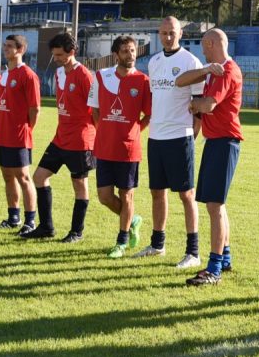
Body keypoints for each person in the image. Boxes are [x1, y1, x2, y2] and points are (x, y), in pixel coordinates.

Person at [176, 28, 242, 286]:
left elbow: (209, 105)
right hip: (217, 142)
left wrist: (194, 105)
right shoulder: (215, 71)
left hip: (224, 142)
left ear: (213, 43)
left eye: (204, 45)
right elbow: (184, 84)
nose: (202, 50)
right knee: (217, 204)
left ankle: (213, 268)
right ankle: (224, 259)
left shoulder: (226, 70)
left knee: (214, 206)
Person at [141, 17, 203, 266]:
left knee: (187, 195)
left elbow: (198, 107)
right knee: (157, 192)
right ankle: (158, 245)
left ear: (180, 33)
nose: (168, 37)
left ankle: (193, 252)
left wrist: (190, 136)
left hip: (180, 137)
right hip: (156, 137)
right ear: (159, 33)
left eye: (172, 33)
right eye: (164, 33)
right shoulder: (154, 62)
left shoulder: (191, 62)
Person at [22, 33, 95, 242]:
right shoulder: (58, 73)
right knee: (39, 177)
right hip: (60, 138)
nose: (56, 59)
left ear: (72, 52)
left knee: (79, 185)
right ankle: (46, 227)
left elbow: (95, 111)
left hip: (81, 140)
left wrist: (95, 139)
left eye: (60, 55)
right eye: (54, 55)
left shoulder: (85, 76)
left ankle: (76, 232)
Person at [88, 35, 152, 256]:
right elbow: (94, 108)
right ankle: (132, 219)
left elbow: (149, 115)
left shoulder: (143, 81)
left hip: (129, 149)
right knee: (104, 196)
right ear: (116, 54)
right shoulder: (101, 76)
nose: (130, 55)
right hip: (104, 147)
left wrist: (135, 131)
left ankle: (122, 241)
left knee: (127, 196)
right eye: (125, 51)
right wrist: (104, 128)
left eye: (133, 50)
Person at [0, 34, 41, 231]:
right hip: (2, 134)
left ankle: (30, 221)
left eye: (10, 46)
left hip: (19, 135)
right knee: (7, 176)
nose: (6, 49)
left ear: (20, 50)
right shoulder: (5, 74)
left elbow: (35, 108)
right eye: (5, 45)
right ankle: (13, 218)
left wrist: (27, 129)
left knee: (23, 177)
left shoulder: (28, 74)